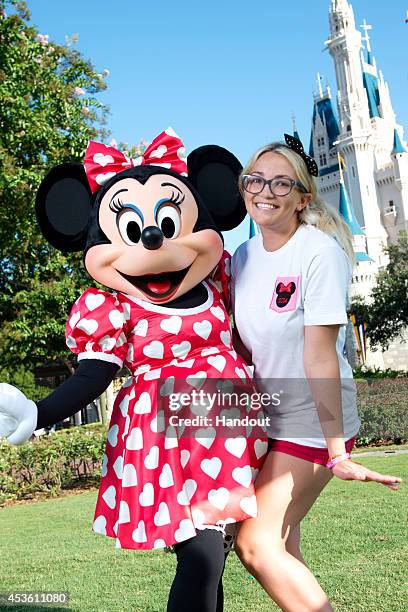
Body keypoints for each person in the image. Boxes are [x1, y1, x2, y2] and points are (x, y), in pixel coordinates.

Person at [0, 128, 268, 612]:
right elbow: (93, 374)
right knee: (203, 554)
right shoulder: (112, 305)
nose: (152, 237)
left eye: (168, 222)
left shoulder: (218, 281)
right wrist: (39, 412)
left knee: (215, 556)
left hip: (229, 430)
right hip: (169, 441)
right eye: (131, 229)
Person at [231, 134, 402, 612]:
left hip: (314, 417)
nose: (265, 192)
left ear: (303, 197)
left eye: (281, 183)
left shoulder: (319, 253)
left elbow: (320, 355)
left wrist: (335, 450)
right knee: (282, 547)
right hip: (272, 415)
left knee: (256, 546)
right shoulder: (243, 257)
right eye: (256, 180)